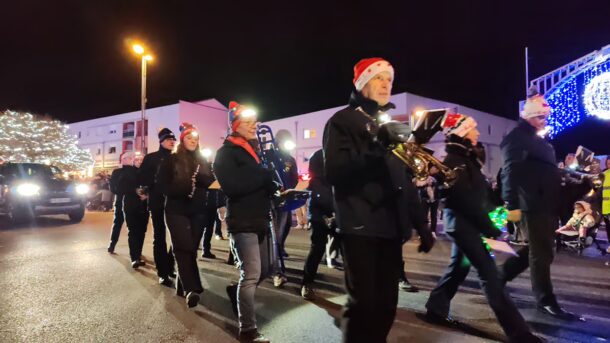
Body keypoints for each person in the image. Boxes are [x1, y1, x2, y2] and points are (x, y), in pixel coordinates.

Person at [323, 57, 434, 342]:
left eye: (389, 79)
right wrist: (377, 147)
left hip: (389, 226)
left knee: (387, 306)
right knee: (363, 306)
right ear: (362, 84)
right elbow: (336, 172)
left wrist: (421, 224)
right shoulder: (342, 121)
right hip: (360, 225)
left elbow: (403, 180)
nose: (386, 84)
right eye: (378, 78)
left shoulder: (385, 122)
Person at [424, 113, 542, 342]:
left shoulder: (466, 160)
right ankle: (519, 334)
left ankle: (436, 307)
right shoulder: (453, 162)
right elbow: (465, 201)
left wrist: (502, 204)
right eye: (473, 129)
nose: (477, 133)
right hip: (464, 226)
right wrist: (491, 228)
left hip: (466, 225)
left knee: (459, 267)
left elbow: (481, 196)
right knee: (490, 277)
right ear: (462, 133)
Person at [499, 87, 580, 320]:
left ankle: (498, 278)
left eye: (546, 117)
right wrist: (511, 203)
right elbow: (510, 171)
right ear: (529, 116)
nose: (545, 121)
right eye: (540, 117)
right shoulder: (517, 138)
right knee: (542, 252)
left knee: (535, 251)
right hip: (531, 203)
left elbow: (547, 172)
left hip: (545, 202)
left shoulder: (537, 140)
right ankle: (545, 299)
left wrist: (572, 181)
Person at [214, 101, 274, 343]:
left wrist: (273, 187)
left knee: (266, 269)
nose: (253, 126)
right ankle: (247, 329)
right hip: (242, 220)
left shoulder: (253, 150)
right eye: (247, 123)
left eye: (254, 122)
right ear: (235, 125)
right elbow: (232, 187)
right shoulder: (226, 153)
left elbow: (258, 181)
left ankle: (235, 292)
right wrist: (262, 176)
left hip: (260, 217)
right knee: (251, 275)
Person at [157, 123, 215, 308]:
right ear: (183, 140)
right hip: (176, 209)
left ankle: (182, 285)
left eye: (196, 139)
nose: (193, 141)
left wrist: (203, 179)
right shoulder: (171, 159)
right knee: (182, 247)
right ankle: (192, 289)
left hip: (198, 210)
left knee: (191, 249)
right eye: (190, 138)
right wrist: (183, 188)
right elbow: (162, 185)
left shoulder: (202, 161)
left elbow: (210, 181)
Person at [139, 127, 177, 286]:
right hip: (157, 202)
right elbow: (142, 177)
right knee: (159, 237)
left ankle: (170, 266)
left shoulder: (177, 158)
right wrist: (153, 182)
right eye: (169, 139)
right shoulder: (152, 158)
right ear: (161, 141)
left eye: (173, 140)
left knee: (177, 237)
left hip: (175, 202)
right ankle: (162, 272)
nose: (172, 142)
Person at [301, 149, 338, 299]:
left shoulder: (343, 153)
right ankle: (307, 283)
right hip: (320, 212)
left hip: (338, 210)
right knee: (317, 250)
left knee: (350, 252)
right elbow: (315, 181)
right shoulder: (318, 155)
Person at [117, 152, 149, 268]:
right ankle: (134, 258)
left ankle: (138, 254)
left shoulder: (146, 173)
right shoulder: (126, 172)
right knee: (133, 231)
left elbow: (152, 185)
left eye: (141, 159)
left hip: (144, 207)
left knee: (142, 231)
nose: (139, 161)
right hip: (131, 206)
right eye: (136, 159)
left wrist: (147, 195)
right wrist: (134, 190)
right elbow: (120, 188)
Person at [107, 155, 127, 253]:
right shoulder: (117, 172)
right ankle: (112, 244)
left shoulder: (135, 171)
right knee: (118, 223)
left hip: (133, 203)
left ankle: (136, 251)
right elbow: (113, 187)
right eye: (127, 158)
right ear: (122, 161)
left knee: (134, 227)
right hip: (120, 201)